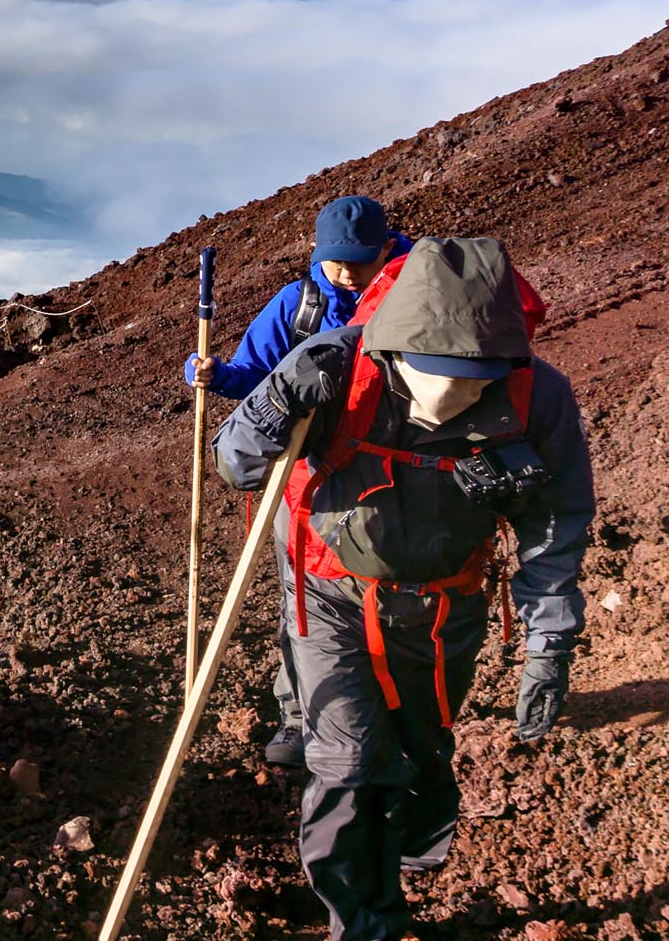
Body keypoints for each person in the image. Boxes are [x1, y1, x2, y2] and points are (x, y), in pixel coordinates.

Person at [212, 237, 590, 941]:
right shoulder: (332, 367)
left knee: (421, 753)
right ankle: (363, 923)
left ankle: (408, 854)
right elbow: (235, 463)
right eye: (433, 374)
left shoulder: (538, 393)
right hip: (330, 594)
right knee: (349, 765)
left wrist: (549, 640)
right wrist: (276, 405)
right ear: (392, 347)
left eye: (471, 380)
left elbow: (553, 522)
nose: (449, 397)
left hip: (448, 604)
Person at [185, 194, 413, 768]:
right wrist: (213, 374)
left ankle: (392, 708)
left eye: (358, 261)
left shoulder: (415, 295)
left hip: (394, 477)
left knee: (394, 592)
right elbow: (256, 374)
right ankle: (300, 716)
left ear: (387, 246)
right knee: (305, 600)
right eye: (335, 260)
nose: (345, 273)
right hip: (306, 480)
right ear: (317, 252)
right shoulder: (301, 303)